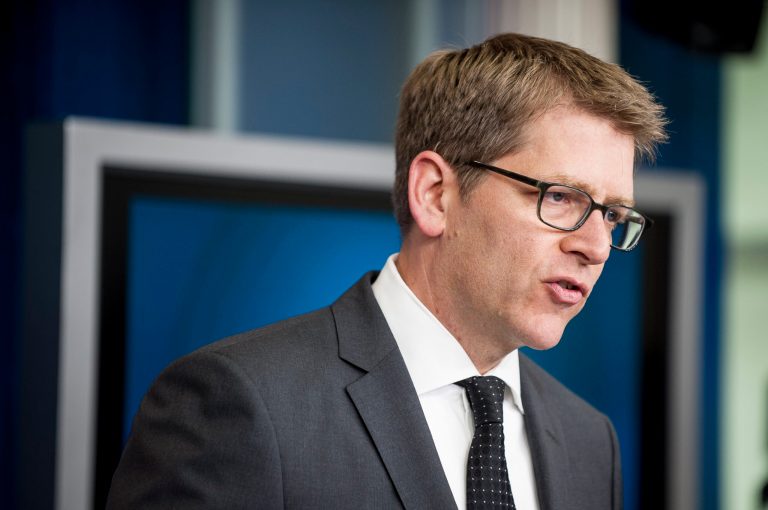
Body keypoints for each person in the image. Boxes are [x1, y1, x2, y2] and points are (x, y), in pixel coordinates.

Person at [106, 32, 667, 510]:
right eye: (562, 197)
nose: (595, 246)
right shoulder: (236, 405)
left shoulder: (591, 440)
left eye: (614, 215)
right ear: (435, 194)